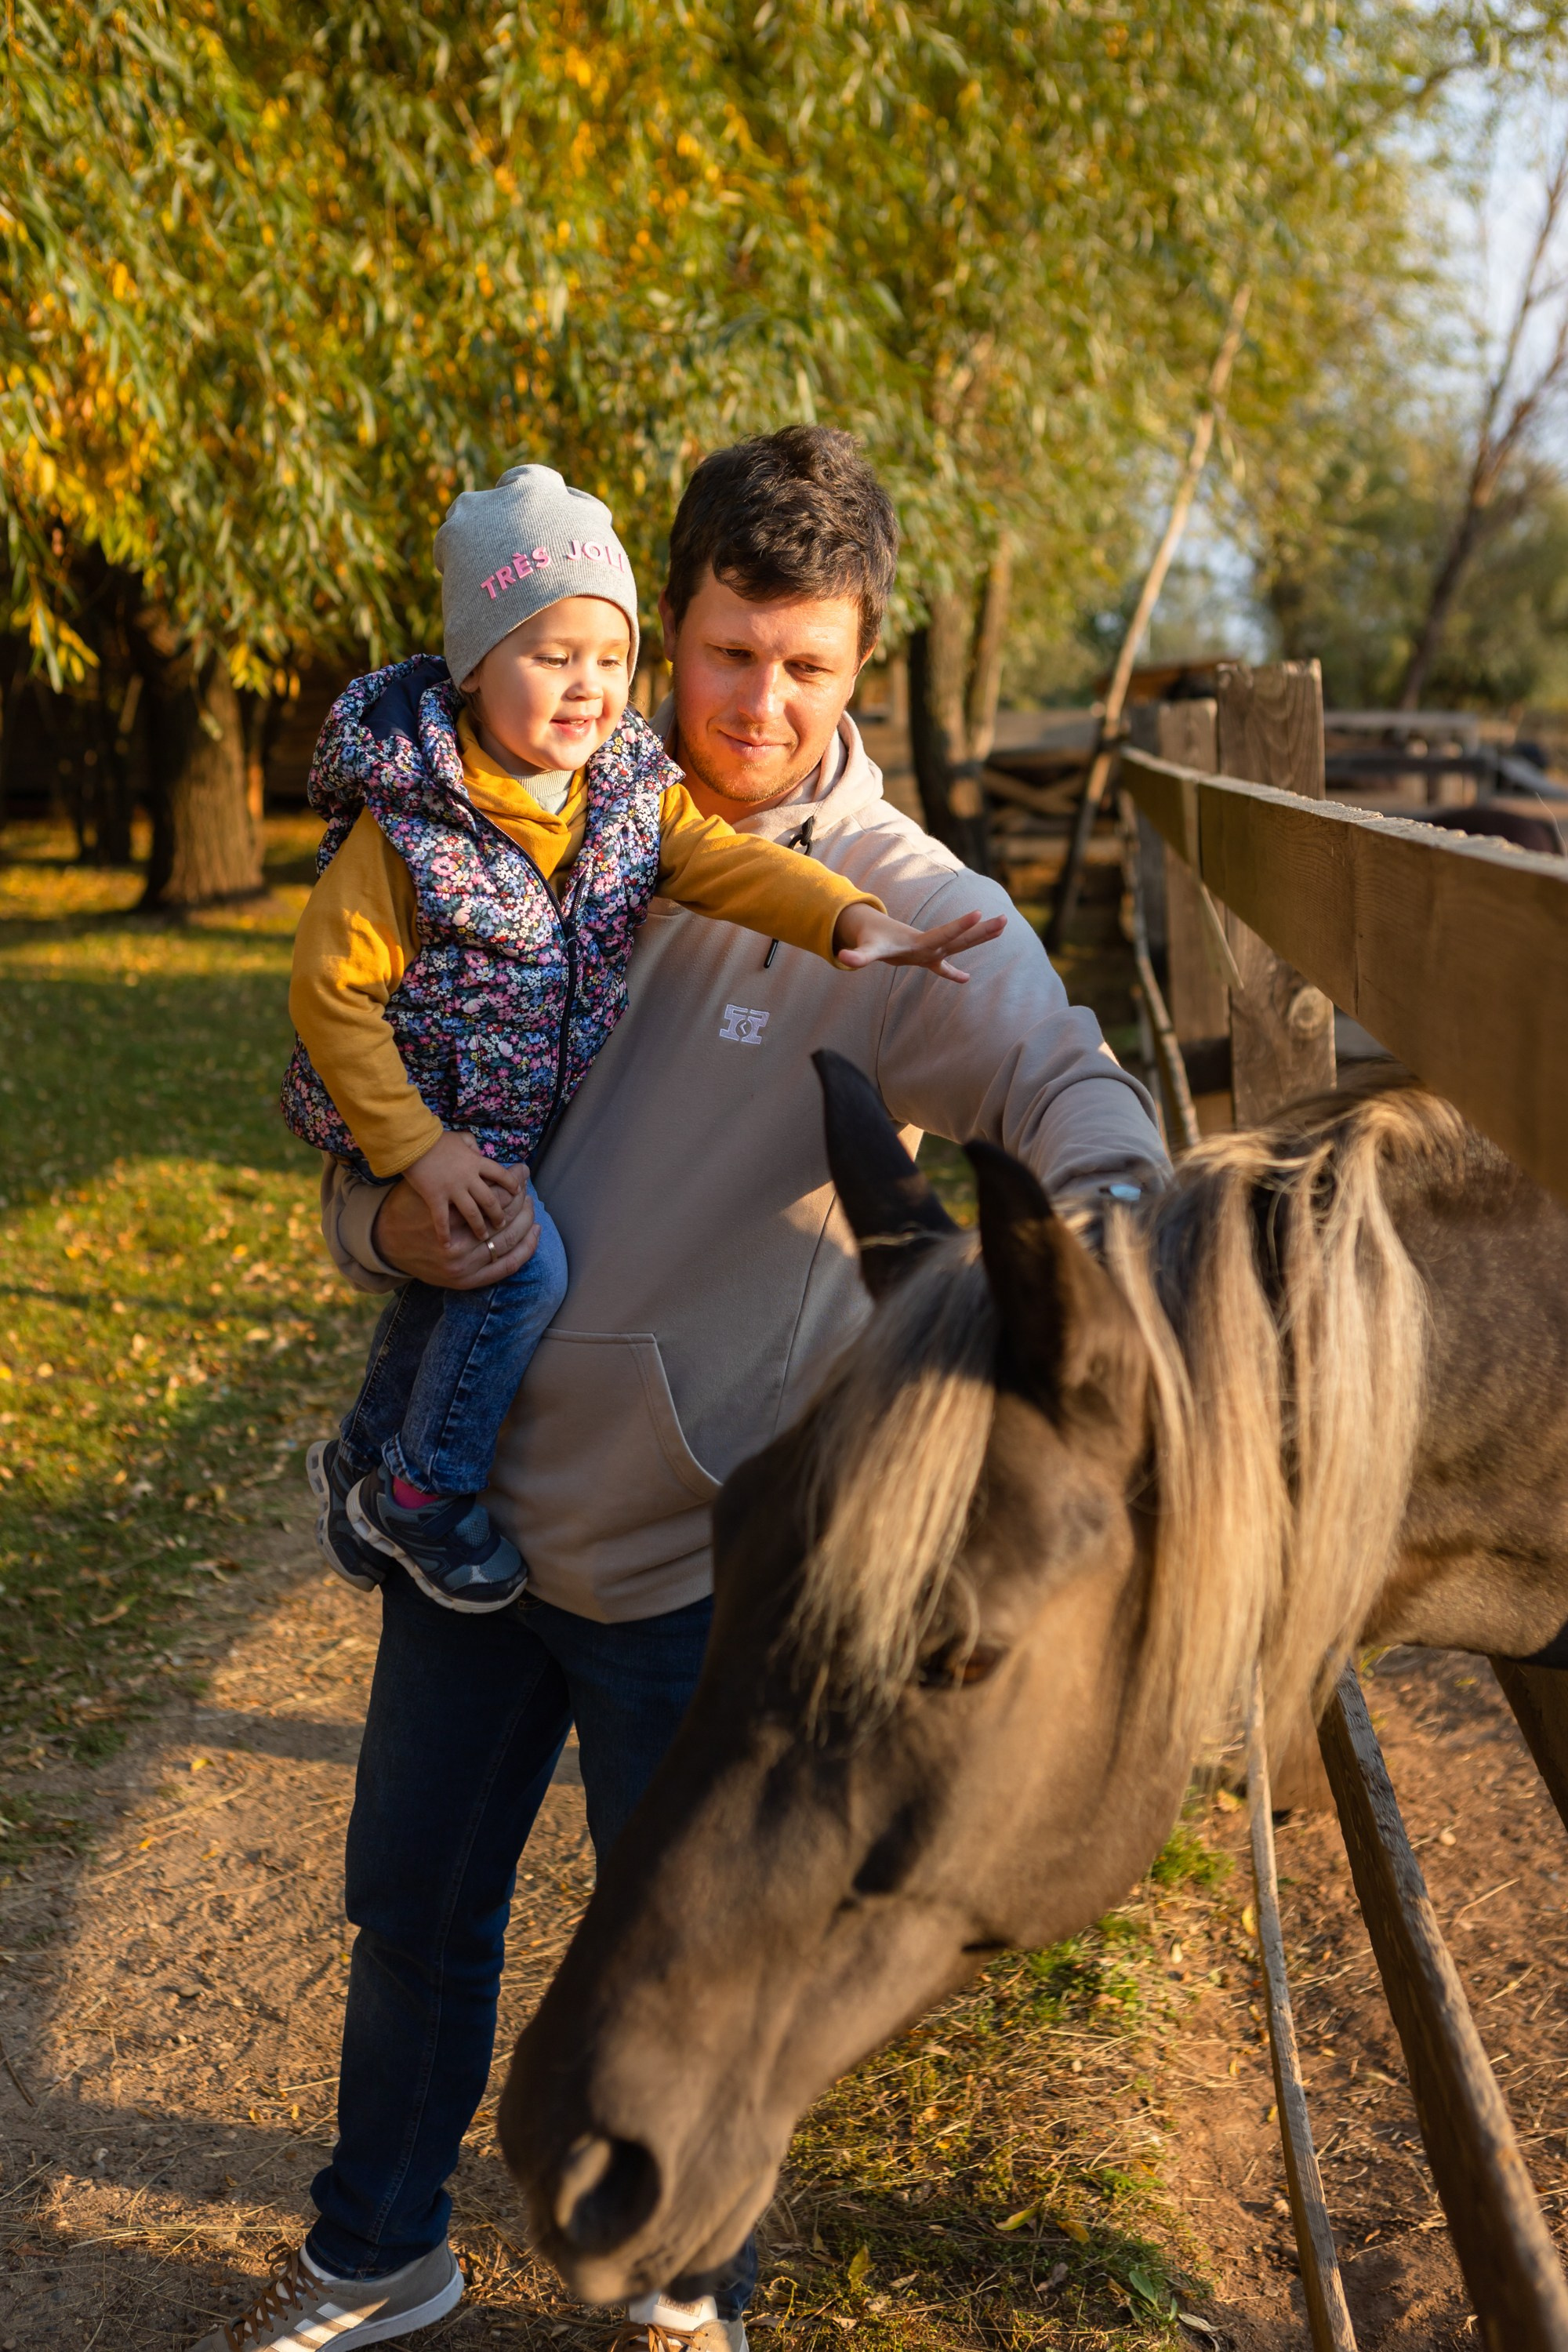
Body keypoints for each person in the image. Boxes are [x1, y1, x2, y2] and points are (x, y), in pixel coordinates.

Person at [192, 428, 1167, 2352]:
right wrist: (385, 1224)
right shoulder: (538, 814)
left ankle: (685, 2289)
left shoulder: (896, 906)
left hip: (695, 1559)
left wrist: (1126, 1209)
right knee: (408, 1922)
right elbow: (373, 1137)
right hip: (473, 1532)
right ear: (668, 627)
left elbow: (1048, 1062)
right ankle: (380, 2245)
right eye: (728, 655)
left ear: (857, 670)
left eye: (807, 668)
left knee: (698, 1957)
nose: (760, 706)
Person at [280, 463, 999, 1616]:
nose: (588, 690)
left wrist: (846, 917)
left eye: (608, 662)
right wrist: (416, 1153)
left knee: (458, 1293)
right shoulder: (410, 822)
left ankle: (367, 1461)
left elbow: (726, 863)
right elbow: (329, 997)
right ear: (473, 667)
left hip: (498, 1112)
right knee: (521, 1274)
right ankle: (423, 1491)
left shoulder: (615, 788)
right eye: (551, 658)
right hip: (431, 1110)